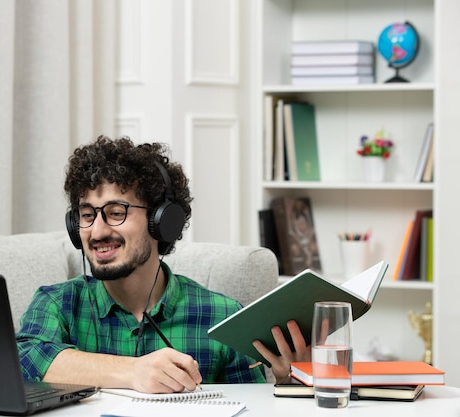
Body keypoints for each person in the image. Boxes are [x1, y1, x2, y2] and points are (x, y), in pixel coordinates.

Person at [16, 135, 309, 393]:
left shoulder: (222, 316)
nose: (98, 231)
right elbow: (25, 359)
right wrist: (134, 372)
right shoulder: (57, 303)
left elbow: (254, 410)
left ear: (162, 222)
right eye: (87, 215)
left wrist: (292, 387)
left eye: (116, 212)